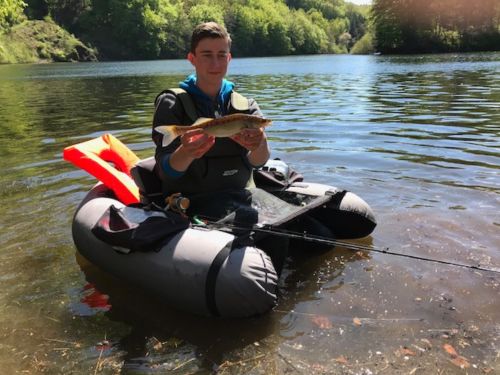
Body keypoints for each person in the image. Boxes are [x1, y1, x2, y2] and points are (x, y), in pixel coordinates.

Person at [152, 21, 270, 217]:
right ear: (192, 59)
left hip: (241, 198)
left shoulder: (246, 106)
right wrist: (187, 152)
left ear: (229, 58)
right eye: (207, 55)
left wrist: (259, 143)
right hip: (192, 203)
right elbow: (165, 172)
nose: (215, 64)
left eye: (221, 55)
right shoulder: (171, 103)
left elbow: (259, 162)